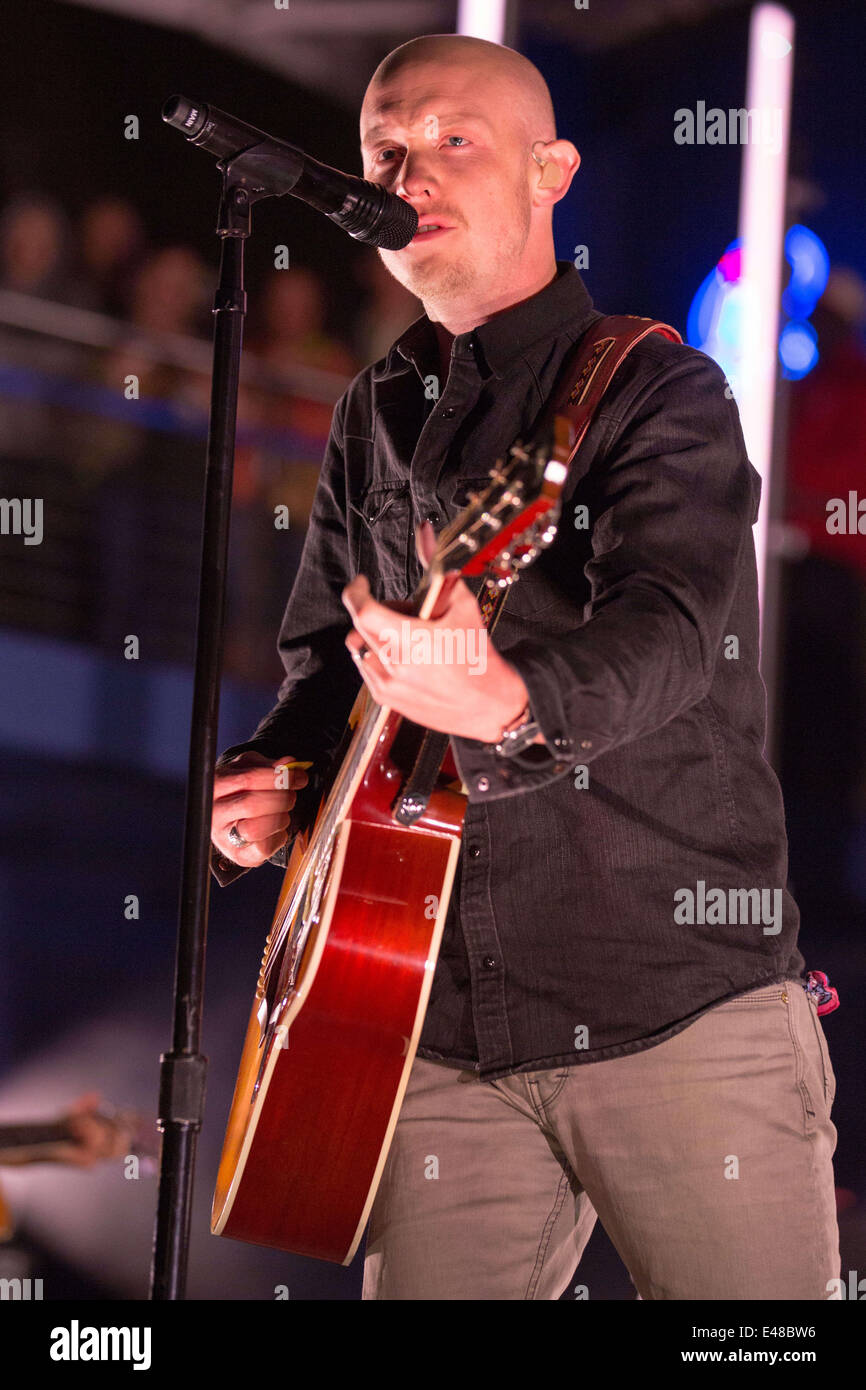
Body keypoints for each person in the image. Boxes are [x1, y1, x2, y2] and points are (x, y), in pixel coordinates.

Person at [209, 34, 839, 1300]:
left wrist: (506, 700)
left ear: (551, 170)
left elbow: (669, 631)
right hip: (426, 1031)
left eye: (454, 141)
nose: (409, 172)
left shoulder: (658, 389)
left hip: (674, 1005)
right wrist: (277, 772)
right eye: (385, 150)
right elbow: (327, 667)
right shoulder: (368, 411)